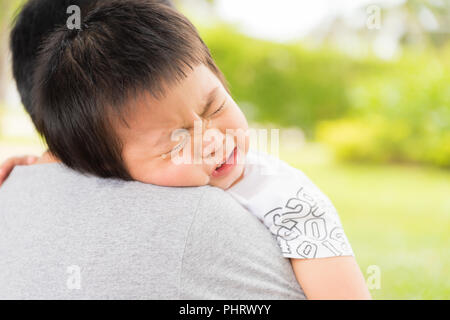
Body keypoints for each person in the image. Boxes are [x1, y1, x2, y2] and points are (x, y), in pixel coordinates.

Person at [0, 0, 305, 300]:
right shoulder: (205, 218)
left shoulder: (15, 192)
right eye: (175, 139)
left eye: (214, 105)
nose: (211, 140)